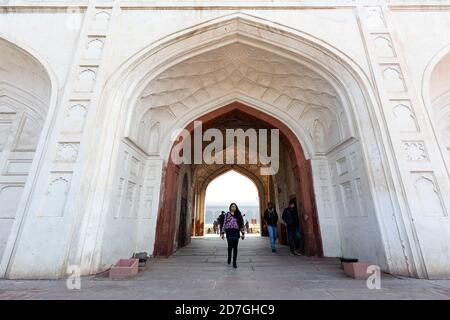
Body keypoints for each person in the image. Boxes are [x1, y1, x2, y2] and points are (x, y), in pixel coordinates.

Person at [220, 203, 245, 268]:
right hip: (229, 231)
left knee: (235, 247)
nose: (233, 208)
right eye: (232, 206)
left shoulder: (238, 215)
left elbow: (241, 224)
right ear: (230, 207)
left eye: (234, 206)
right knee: (230, 246)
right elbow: (224, 223)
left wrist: (242, 233)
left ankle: (234, 262)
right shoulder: (227, 214)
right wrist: (222, 233)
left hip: (236, 232)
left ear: (236, 208)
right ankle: (229, 257)